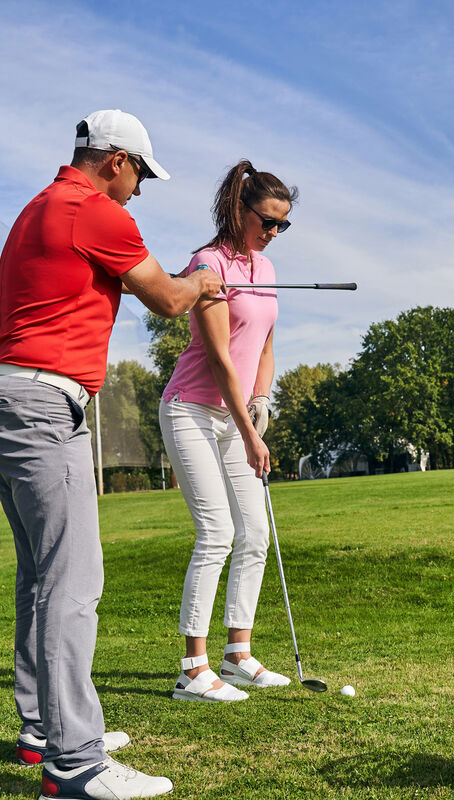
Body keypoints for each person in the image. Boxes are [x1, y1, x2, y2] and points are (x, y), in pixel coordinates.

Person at [0, 109, 223, 800]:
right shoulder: (96, 210)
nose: (139, 190)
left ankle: (43, 730)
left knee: (40, 579)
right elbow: (170, 298)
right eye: (140, 173)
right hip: (42, 406)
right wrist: (202, 280)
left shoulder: (37, 208)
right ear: (115, 160)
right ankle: (74, 762)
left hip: (1, 399)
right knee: (73, 584)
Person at [160, 160, 297, 703]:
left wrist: (261, 404)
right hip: (192, 408)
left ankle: (237, 654)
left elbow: (263, 344)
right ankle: (192, 669)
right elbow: (219, 358)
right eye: (267, 220)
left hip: (239, 413)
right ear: (240, 209)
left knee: (255, 535)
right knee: (216, 532)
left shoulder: (263, 270)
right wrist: (251, 432)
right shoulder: (207, 264)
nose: (273, 233)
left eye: (283, 225)